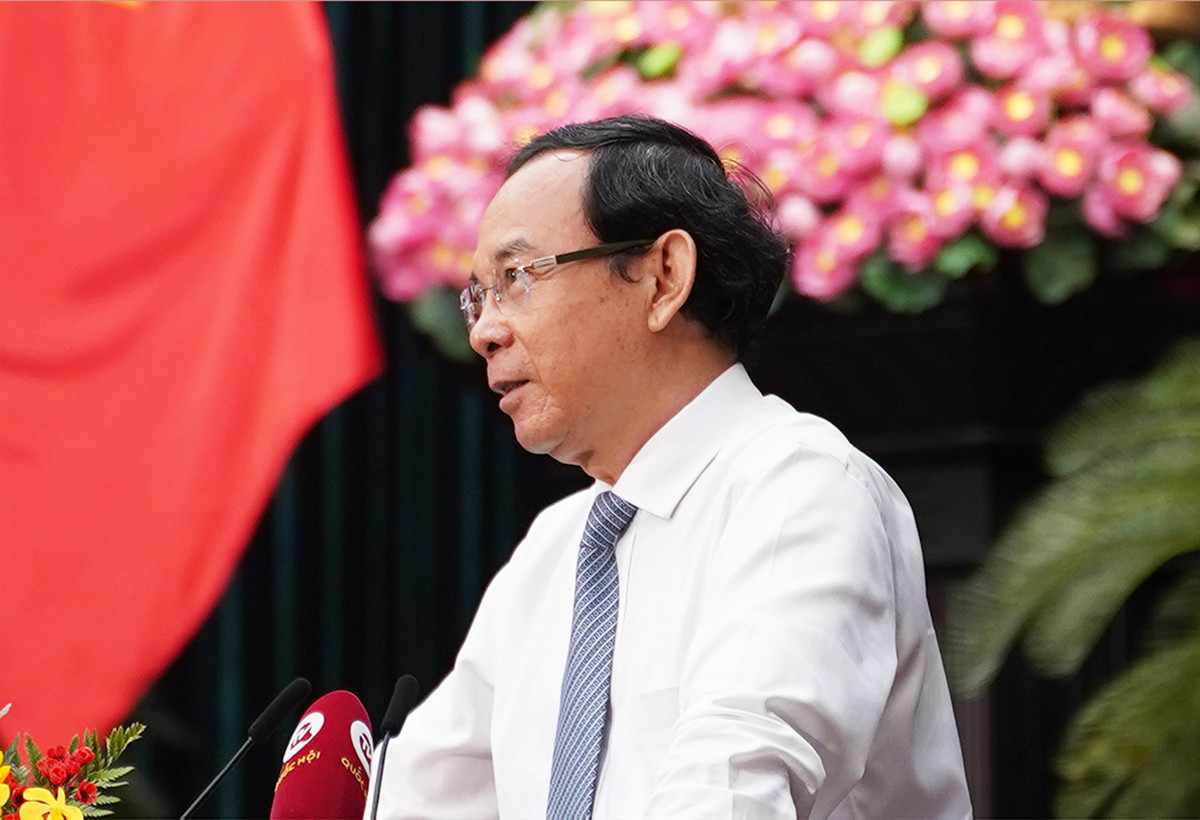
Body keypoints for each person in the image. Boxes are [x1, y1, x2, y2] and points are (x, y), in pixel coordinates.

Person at [369, 115, 972, 819]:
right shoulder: (556, 547)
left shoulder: (799, 490)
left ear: (663, 278)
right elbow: (419, 798)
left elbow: (735, 786)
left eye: (517, 278)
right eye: (479, 295)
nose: (484, 330)